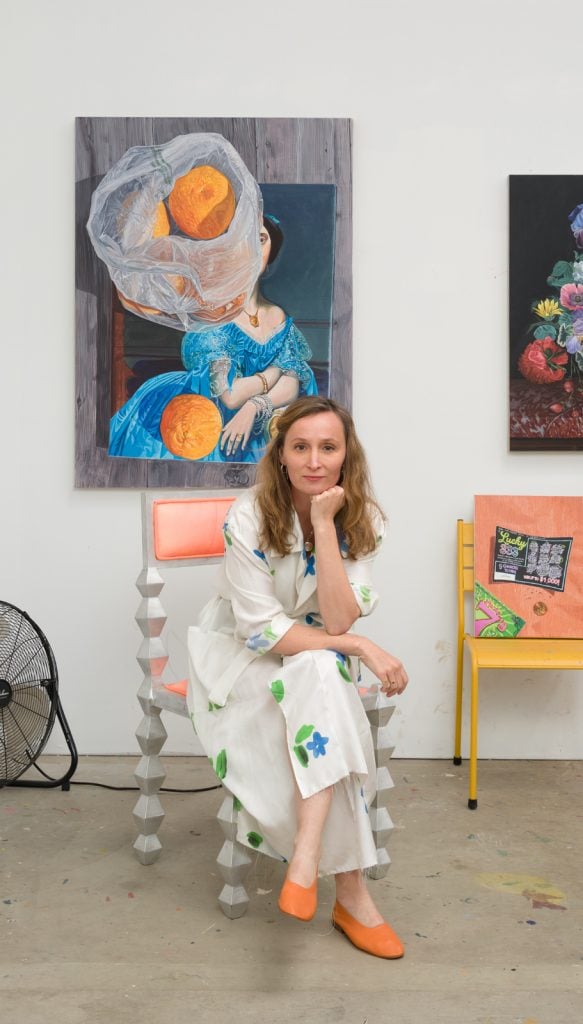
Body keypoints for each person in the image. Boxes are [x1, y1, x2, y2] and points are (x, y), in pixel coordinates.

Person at [187, 395, 409, 959]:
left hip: (315, 656)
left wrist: (325, 526)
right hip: (242, 657)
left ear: (345, 455)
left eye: (328, 447)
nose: (314, 460)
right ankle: (352, 895)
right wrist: (358, 644)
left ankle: (307, 859)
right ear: (281, 454)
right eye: (300, 446)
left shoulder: (364, 518)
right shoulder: (248, 514)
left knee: (318, 670)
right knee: (327, 679)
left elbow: (334, 616)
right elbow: (262, 632)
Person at [108, 216, 318, 461]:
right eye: (244, 239)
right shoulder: (212, 314)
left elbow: (292, 384)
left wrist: (254, 406)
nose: (252, 249)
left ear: (271, 252)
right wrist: (274, 373)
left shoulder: (276, 315)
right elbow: (230, 396)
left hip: (256, 421)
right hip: (199, 418)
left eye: (261, 239)